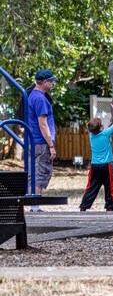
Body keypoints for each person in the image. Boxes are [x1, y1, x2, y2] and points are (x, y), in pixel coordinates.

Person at [79, 100, 113, 212]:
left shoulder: (91, 136)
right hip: (106, 165)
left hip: (95, 165)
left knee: (92, 186)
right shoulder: (106, 133)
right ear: (101, 128)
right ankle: (109, 207)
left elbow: (101, 131)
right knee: (109, 186)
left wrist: (105, 127)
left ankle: (84, 206)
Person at [26, 69, 57, 212]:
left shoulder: (31, 95)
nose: (52, 84)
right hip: (41, 142)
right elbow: (43, 124)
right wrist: (51, 145)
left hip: (32, 140)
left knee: (33, 172)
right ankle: (35, 206)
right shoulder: (40, 99)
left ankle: (33, 205)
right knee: (42, 171)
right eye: (51, 81)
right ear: (45, 82)